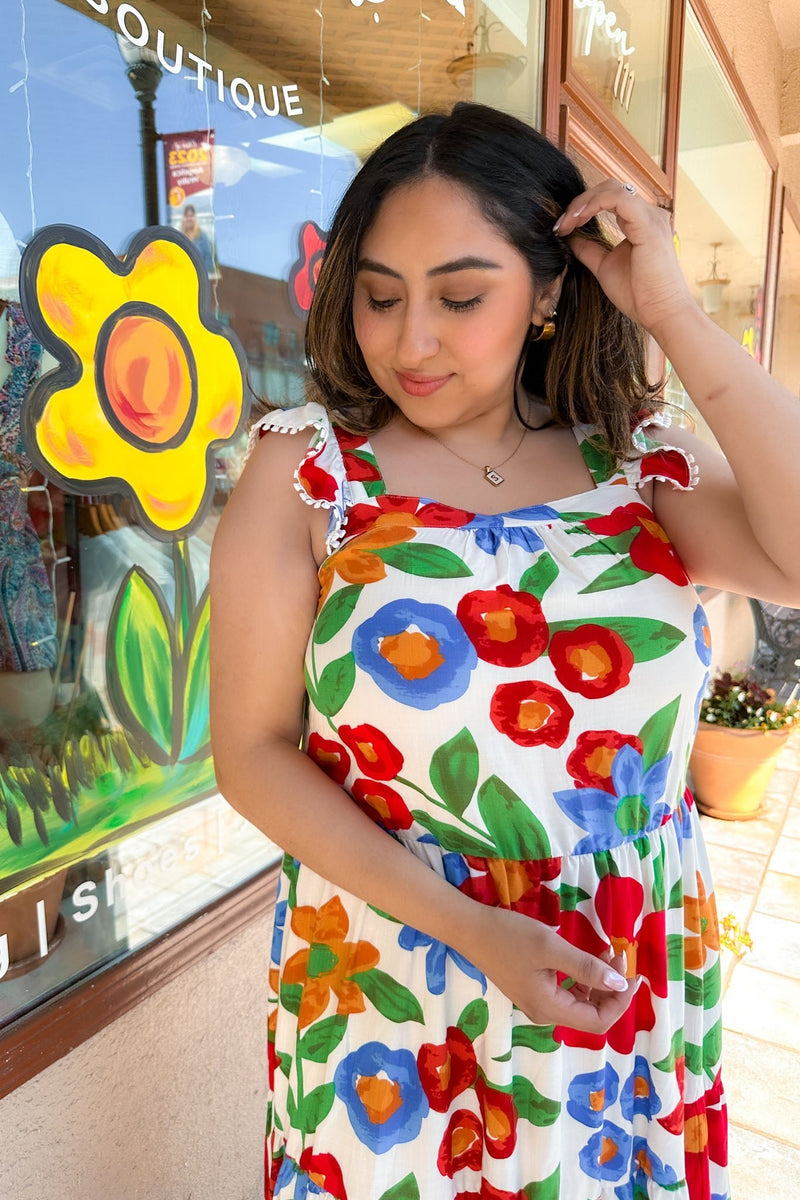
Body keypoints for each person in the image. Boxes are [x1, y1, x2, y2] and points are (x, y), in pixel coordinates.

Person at [210, 103, 800, 1200]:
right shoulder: (307, 475)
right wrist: (471, 930)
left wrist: (671, 310)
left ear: (549, 291)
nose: (409, 340)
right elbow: (249, 752)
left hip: (622, 967)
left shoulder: (635, 464)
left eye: (460, 296)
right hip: (401, 976)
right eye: (379, 296)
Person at [180, 203, 215, 275]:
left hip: (201, 276)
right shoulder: (179, 237)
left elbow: (209, 259)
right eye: (187, 216)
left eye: (191, 216)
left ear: (195, 218)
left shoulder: (202, 236)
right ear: (183, 218)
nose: (189, 219)